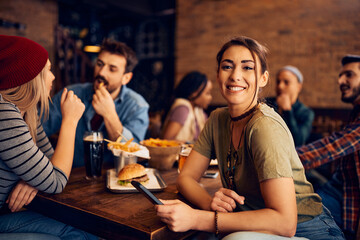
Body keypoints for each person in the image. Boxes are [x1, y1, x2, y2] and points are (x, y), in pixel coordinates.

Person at [155, 36, 344, 240]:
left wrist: (196, 218)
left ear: (263, 78)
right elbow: (186, 177)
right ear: (218, 75)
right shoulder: (217, 119)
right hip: (254, 222)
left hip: (310, 229)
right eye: (227, 66)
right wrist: (210, 203)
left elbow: (285, 222)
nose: (235, 75)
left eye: (247, 68)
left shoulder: (264, 126)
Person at [0, 35, 97, 239]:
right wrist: (70, 120)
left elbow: (51, 163)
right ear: (29, 76)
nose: (53, 77)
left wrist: (33, 178)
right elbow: (56, 181)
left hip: (8, 214)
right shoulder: (4, 113)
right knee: (83, 232)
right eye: (48, 70)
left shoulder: (27, 111)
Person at [43, 39, 149, 167]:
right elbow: (37, 132)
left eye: (112, 69)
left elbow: (135, 154)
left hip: (112, 178)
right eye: (100, 64)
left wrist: (109, 114)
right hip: (69, 177)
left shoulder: (137, 106)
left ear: (126, 78)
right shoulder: (71, 94)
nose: (101, 72)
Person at [297, 54, 360, 240]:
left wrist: (276, 158)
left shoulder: (303, 111)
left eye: (349, 75)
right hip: (335, 187)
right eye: (340, 76)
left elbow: (330, 147)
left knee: (285, 219)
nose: (341, 81)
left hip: (346, 201)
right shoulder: (355, 112)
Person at [266, 66, 314, 146]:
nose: (280, 86)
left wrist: (287, 111)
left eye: (286, 82)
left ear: (299, 87)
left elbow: (298, 141)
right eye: (278, 82)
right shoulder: (266, 103)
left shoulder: (306, 113)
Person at [161, 71, 213, 143]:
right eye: (208, 93)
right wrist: (191, 143)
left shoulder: (198, 111)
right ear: (193, 93)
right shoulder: (183, 109)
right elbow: (166, 140)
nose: (210, 97)